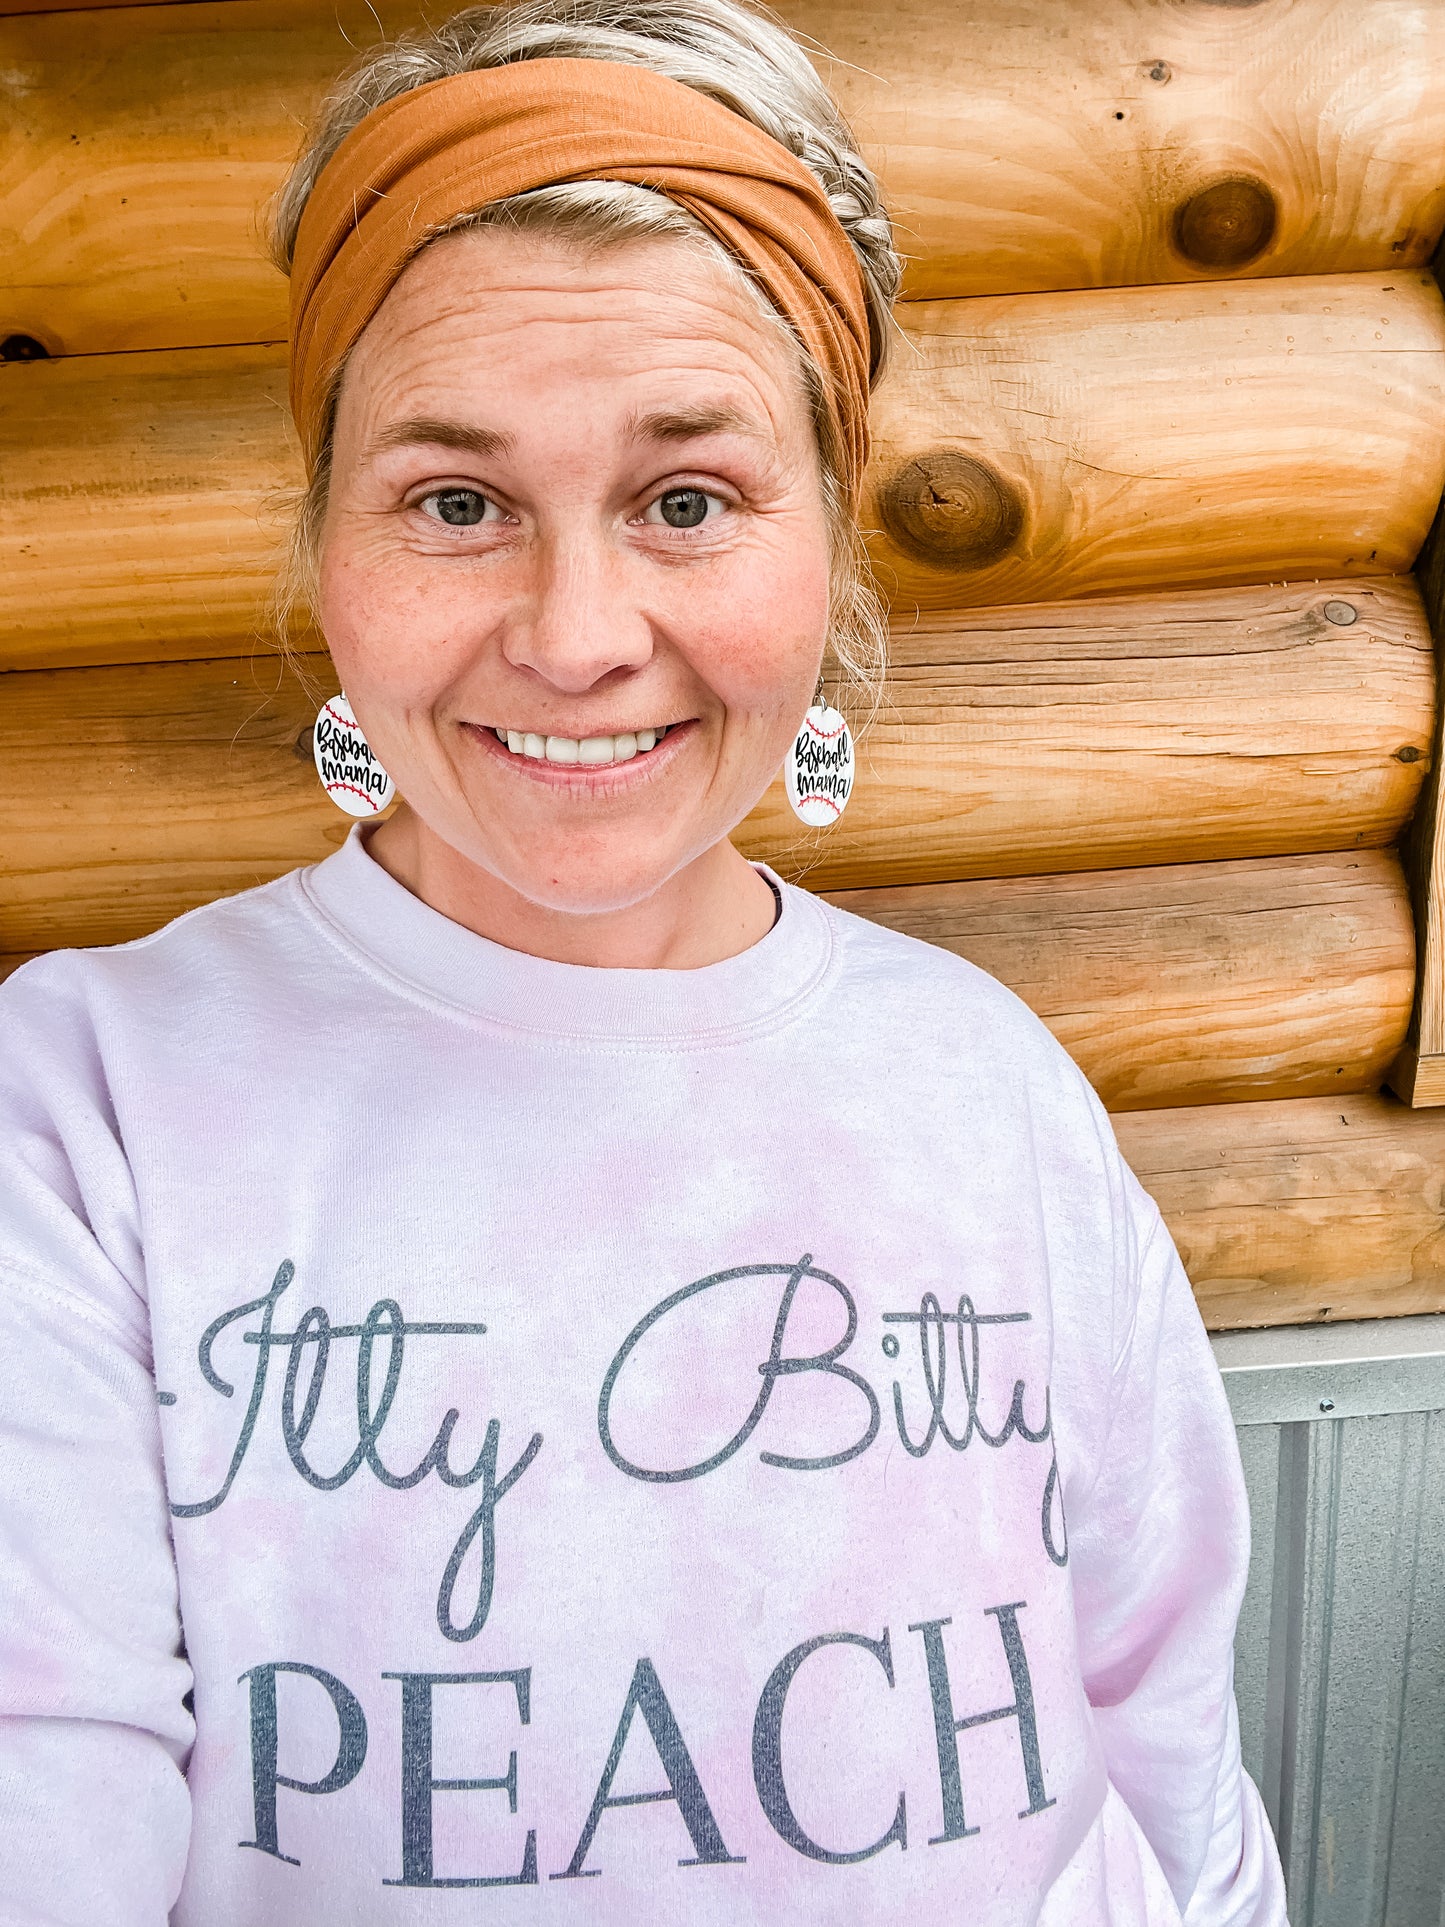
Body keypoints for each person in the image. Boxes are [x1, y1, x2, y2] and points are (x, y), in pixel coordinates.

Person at [0, 1, 1287, 1920]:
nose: (579, 632)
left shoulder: (984, 1074)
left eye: (687, 500)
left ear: (831, 544)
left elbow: (1169, 1739)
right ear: (325, 541)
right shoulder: (86, 1106)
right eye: (456, 502)